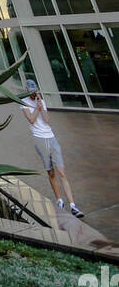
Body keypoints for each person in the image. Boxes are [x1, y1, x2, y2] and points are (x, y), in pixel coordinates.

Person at [21, 79, 84, 218]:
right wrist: (36, 108)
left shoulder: (41, 101)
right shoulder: (23, 103)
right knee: (51, 172)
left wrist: (40, 105)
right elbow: (31, 119)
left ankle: (73, 205)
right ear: (26, 90)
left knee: (62, 172)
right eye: (31, 91)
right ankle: (59, 200)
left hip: (51, 137)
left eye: (35, 91)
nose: (33, 94)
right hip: (39, 139)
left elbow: (47, 119)